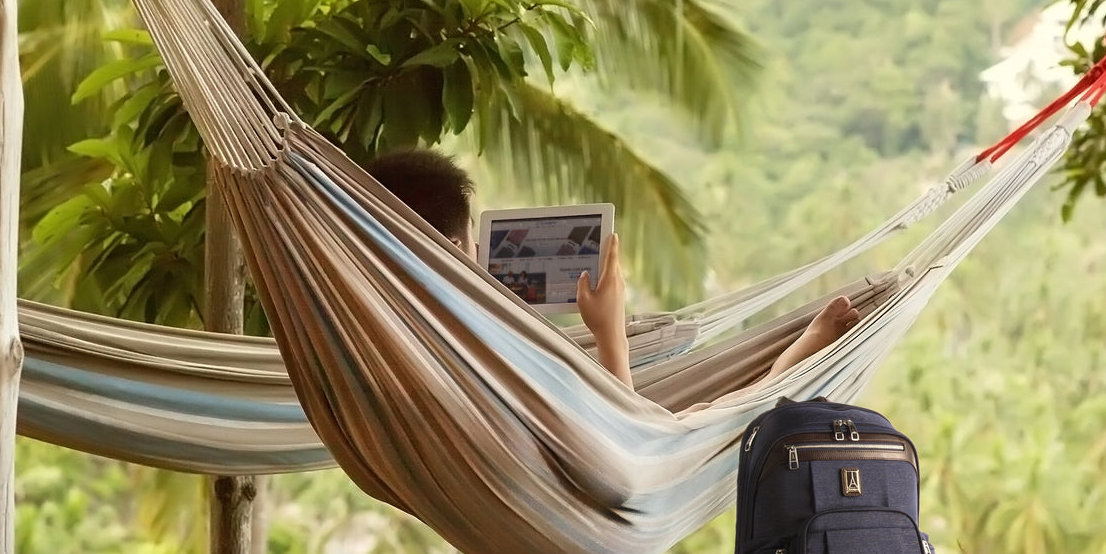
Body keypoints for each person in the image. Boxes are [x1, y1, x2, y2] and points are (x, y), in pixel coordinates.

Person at [365, 148, 862, 393]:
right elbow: (627, 457)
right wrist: (609, 333)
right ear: (452, 247)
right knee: (712, 423)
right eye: (473, 244)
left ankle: (774, 380)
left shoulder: (360, 318)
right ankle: (778, 379)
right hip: (580, 479)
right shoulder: (472, 346)